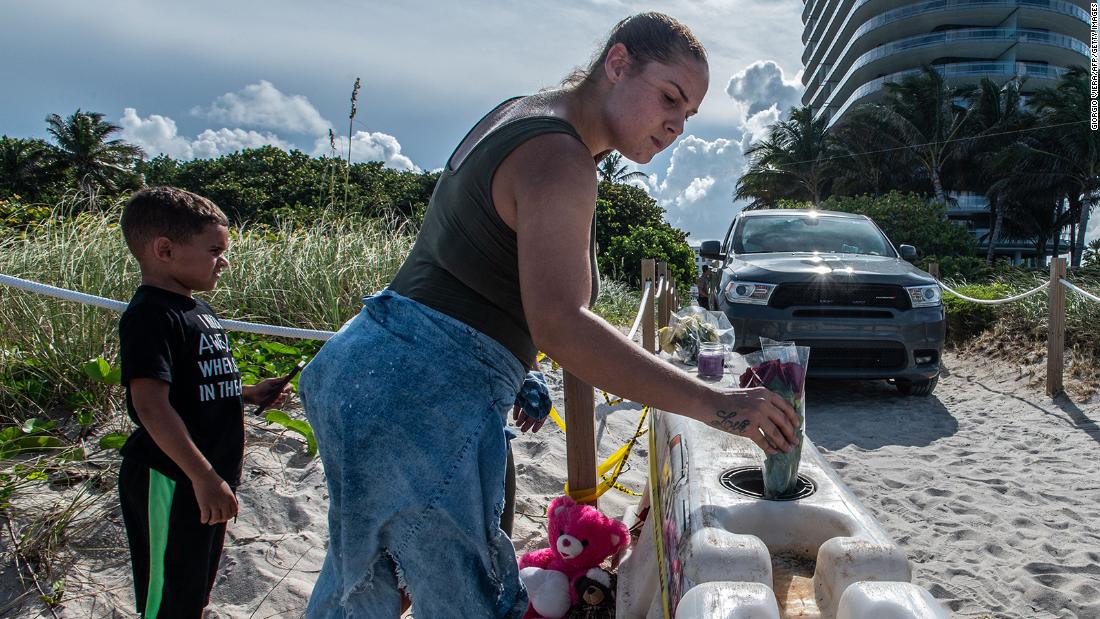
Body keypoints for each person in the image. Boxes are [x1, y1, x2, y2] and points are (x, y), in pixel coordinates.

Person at [298, 12, 799, 618]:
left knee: (361, 588)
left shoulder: (522, 113)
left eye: (689, 114)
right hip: (421, 390)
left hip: (370, 363)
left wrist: (520, 368)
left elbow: (483, 268)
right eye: (669, 98)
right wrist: (717, 405)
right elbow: (562, 324)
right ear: (617, 63)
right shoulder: (561, 157)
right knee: (470, 602)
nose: (676, 126)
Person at [116, 187, 291, 618]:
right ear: (164, 249)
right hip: (173, 479)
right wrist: (203, 476)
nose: (224, 261)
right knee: (166, 596)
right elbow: (150, 406)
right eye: (215, 250)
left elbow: (194, 385)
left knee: (193, 589)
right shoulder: (150, 314)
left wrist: (249, 393)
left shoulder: (198, 310)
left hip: (206, 478)